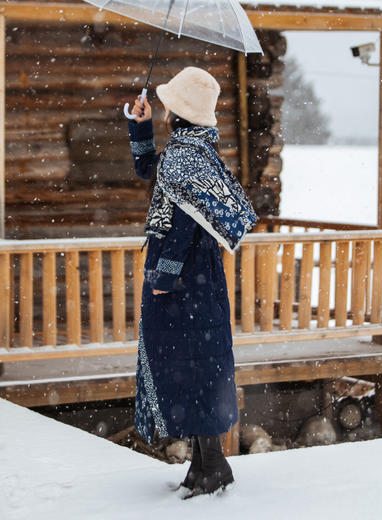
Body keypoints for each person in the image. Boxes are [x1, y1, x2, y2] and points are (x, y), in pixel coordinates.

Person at [127, 67, 257, 499]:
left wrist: (165, 276)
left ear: (176, 112)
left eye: (163, 107)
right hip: (198, 278)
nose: (161, 111)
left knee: (192, 365)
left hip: (184, 279)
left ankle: (213, 466)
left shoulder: (187, 157)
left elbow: (182, 223)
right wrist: (140, 125)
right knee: (197, 363)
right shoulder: (190, 151)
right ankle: (204, 466)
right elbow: (149, 169)